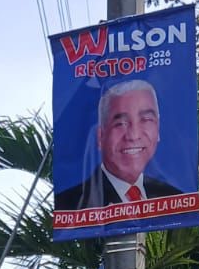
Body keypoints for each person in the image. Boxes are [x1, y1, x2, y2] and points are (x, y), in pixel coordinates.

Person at [53, 80, 183, 212]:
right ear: (100, 136)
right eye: (120, 123)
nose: (133, 135)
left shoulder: (175, 199)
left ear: (158, 129)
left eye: (146, 120)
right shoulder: (70, 207)